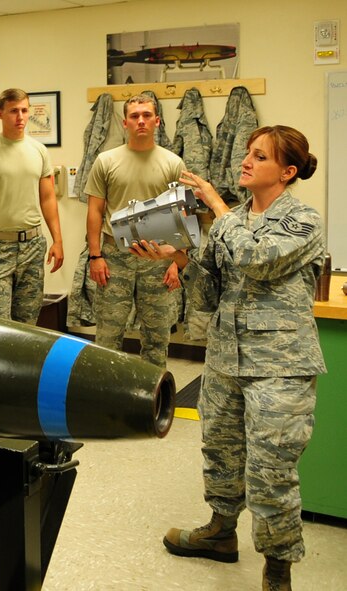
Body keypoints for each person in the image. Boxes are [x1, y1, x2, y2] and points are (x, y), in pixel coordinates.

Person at [130, 125, 325, 591]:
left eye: (260, 156)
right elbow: (211, 291)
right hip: (225, 360)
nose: (247, 161)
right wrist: (175, 260)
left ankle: (278, 570)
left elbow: (258, 260)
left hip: (279, 368)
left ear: (287, 171)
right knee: (221, 452)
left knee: (271, 471)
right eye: (249, 152)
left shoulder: (303, 221)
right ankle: (220, 533)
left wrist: (217, 208)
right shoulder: (233, 221)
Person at [85, 94, 185, 368]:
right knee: (108, 334)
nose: (141, 120)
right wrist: (95, 257)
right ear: (125, 122)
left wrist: (177, 261)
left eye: (146, 115)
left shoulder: (173, 163)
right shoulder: (106, 161)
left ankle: (151, 396)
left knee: (157, 336)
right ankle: (105, 393)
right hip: (114, 256)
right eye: (134, 116)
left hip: (158, 257)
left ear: (157, 121)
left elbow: (181, 214)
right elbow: (95, 211)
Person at [0, 88, 64, 324]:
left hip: (32, 245)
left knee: (27, 323)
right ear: (0, 114)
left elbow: (48, 199)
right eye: (13, 111)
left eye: (24, 110)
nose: (20, 117)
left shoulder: (39, 151)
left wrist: (57, 241)